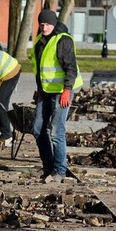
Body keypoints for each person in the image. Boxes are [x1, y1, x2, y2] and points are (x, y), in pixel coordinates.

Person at [30, 9, 83, 183]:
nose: (44, 28)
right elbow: (39, 69)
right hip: (45, 91)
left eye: (47, 24)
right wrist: (39, 88)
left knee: (56, 130)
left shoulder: (63, 40)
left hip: (62, 91)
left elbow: (71, 68)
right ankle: (49, 167)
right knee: (37, 128)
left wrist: (67, 90)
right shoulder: (40, 41)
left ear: (53, 24)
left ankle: (60, 170)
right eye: (41, 24)